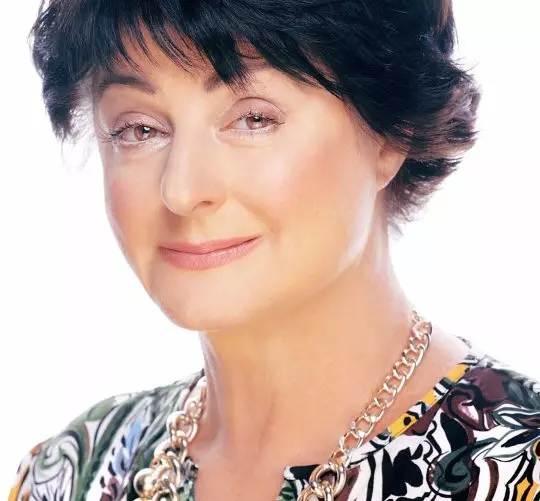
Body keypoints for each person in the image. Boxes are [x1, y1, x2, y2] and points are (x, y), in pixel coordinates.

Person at [9, 0, 540, 500]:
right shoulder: (72, 473)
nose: (181, 189)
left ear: (391, 133)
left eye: (254, 119)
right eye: (139, 128)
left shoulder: (516, 467)